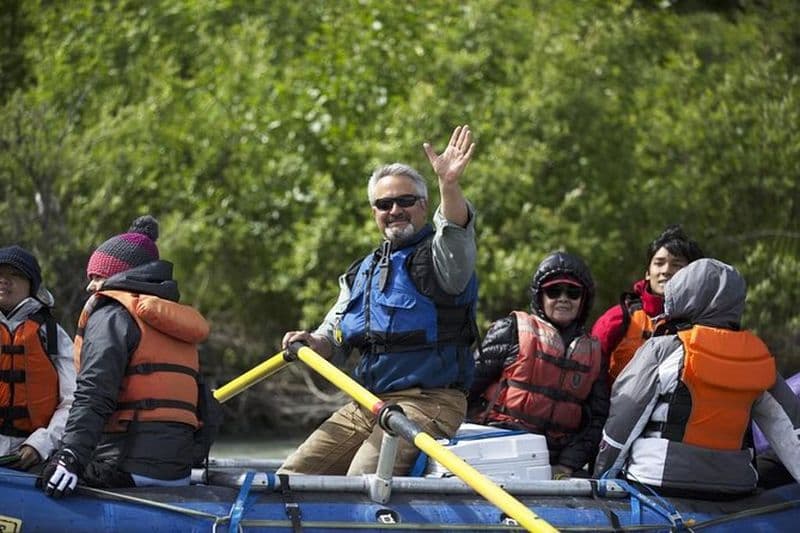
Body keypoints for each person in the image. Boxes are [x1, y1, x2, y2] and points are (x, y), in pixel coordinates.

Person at [278, 125, 478, 476]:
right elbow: (333, 338)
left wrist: (449, 183)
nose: (395, 210)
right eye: (384, 204)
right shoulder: (360, 273)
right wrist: (312, 342)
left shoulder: (442, 258)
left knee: (361, 482)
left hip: (429, 401)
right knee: (290, 478)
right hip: (368, 403)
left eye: (406, 201)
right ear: (374, 212)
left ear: (424, 205)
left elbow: (455, 228)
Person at [594, 258, 800, 499]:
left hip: (657, 481)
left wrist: (601, 477)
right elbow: (791, 433)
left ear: (683, 294)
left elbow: (624, 419)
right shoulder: (759, 360)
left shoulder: (663, 349)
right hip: (733, 487)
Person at [41, 215, 210, 498]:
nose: (90, 287)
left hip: (124, 467)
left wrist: (70, 455)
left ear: (120, 275)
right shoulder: (177, 324)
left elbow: (94, 394)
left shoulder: (111, 314)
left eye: (97, 276)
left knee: (38, 474)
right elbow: (206, 407)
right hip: (178, 474)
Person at [468, 251, 608, 479]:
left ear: (583, 300)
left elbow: (596, 420)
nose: (563, 298)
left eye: (573, 293)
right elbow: (467, 389)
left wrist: (567, 464)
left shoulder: (594, 354)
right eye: (554, 291)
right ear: (540, 296)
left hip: (553, 463)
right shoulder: (510, 330)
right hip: (496, 449)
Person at [591, 224, 703, 383]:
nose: (666, 270)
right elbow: (590, 372)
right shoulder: (618, 318)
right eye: (659, 263)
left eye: (676, 265)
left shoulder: (703, 324)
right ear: (647, 273)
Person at [0, 246, 75, 471]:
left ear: (31, 284)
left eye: (14, 274)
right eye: (0, 273)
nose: (4, 280)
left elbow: (73, 400)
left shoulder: (52, 333)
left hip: (34, 455)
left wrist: (41, 444)